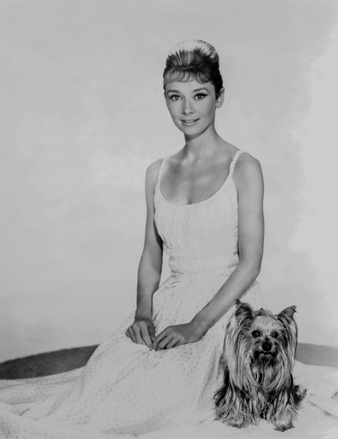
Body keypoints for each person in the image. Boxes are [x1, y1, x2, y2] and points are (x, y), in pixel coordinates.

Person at [0, 39, 264, 438]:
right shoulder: (157, 172)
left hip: (227, 306)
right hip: (172, 298)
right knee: (104, 373)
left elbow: (250, 263)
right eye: (175, 97)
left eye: (199, 96)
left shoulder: (243, 167)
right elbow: (151, 253)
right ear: (165, 99)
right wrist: (143, 312)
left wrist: (197, 326)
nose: (187, 109)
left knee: (163, 391)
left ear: (219, 97)